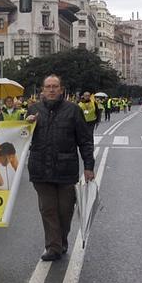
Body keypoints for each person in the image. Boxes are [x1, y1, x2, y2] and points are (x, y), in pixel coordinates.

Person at [25, 75, 94, 262]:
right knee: (48, 210)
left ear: (61, 89)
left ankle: (62, 241)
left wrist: (89, 166)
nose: (52, 89)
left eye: (55, 86)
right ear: (43, 90)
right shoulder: (33, 110)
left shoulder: (73, 110)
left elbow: (85, 140)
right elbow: (21, 138)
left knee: (64, 211)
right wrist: (27, 125)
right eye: (48, 86)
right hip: (40, 169)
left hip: (66, 170)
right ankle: (53, 247)